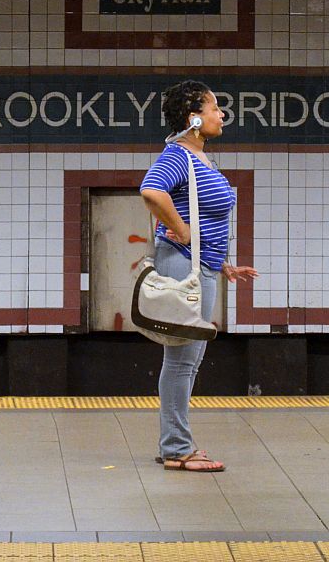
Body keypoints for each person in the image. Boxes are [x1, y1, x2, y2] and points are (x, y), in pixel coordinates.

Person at [140, 80, 258, 472]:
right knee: (181, 359)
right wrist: (182, 230)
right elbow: (152, 191)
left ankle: (174, 444)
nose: (221, 115)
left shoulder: (200, 158)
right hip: (182, 263)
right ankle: (176, 449)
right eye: (214, 108)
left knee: (188, 359)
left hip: (201, 264)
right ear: (193, 118)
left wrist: (222, 263)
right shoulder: (178, 155)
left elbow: (204, 214)